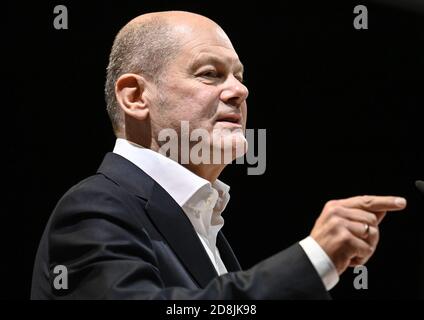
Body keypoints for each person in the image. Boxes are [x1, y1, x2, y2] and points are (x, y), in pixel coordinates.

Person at [31, 11, 407, 299]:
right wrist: (313, 259)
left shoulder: (200, 218)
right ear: (135, 96)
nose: (239, 92)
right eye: (210, 74)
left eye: (239, 77)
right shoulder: (95, 206)